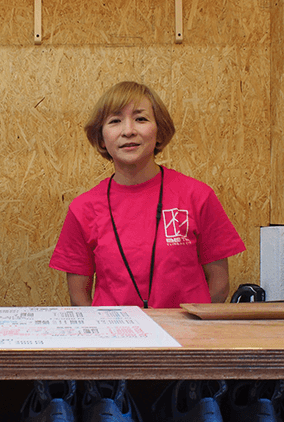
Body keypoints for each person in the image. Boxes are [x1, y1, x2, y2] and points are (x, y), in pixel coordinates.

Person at [49, 81, 245, 308]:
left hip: (185, 331)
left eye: (141, 119)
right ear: (101, 138)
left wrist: (186, 324)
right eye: (115, 121)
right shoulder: (83, 209)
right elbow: (79, 299)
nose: (128, 131)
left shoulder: (198, 196)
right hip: (115, 331)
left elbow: (219, 286)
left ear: (159, 131)